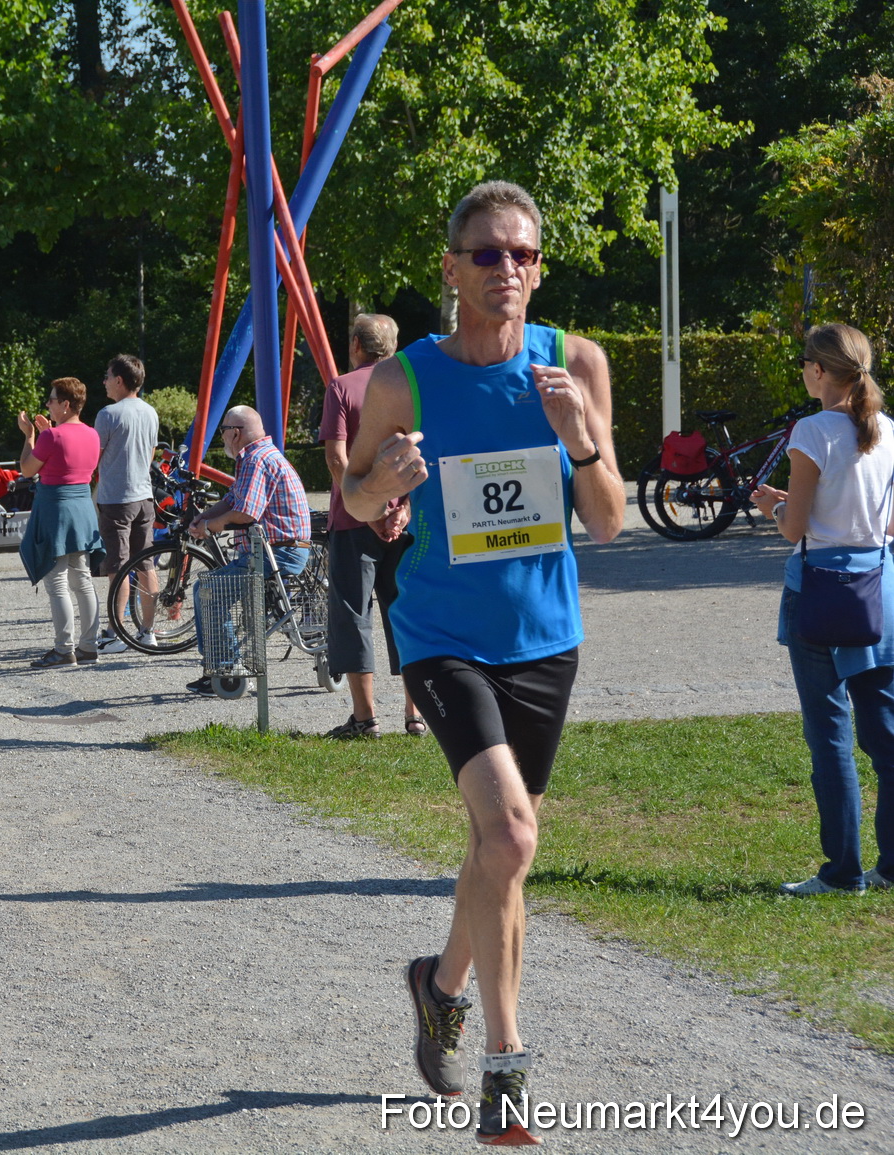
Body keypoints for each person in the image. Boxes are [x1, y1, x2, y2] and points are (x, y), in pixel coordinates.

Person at [342, 181, 622, 1145]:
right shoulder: (402, 381)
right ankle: (508, 1070)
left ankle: (438, 982)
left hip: (546, 637)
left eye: (525, 255)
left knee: (497, 849)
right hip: (441, 632)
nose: (509, 270)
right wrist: (384, 480)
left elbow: (609, 518)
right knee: (508, 836)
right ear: (453, 268)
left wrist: (581, 439)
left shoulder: (575, 363)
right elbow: (352, 491)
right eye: (489, 254)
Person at [751, 324, 894, 896]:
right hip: (878, 588)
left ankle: (842, 872)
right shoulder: (887, 429)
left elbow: (793, 531)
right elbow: (884, 524)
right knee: (884, 731)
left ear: (818, 370)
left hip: (819, 592)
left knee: (830, 733)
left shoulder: (811, 431)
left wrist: (771, 507)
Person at [319, 314, 426, 739]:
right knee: (406, 613)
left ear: (356, 346)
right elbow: (426, 457)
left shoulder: (341, 387)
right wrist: (402, 509)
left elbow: (336, 460)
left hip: (352, 519)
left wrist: (370, 508)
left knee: (352, 614)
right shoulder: (408, 388)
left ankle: (365, 719)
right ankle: (415, 714)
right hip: (404, 521)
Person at [186, 406, 311, 694]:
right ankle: (220, 664)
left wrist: (213, 524)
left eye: (223, 431)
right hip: (277, 550)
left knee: (210, 590)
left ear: (235, 432)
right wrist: (205, 517)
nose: (223, 437)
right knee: (212, 588)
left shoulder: (257, 460)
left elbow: (246, 513)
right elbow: (232, 499)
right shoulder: (256, 457)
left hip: (279, 553)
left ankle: (227, 667)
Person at [18, 376, 102, 667]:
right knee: (83, 579)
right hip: (82, 507)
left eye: (52, 400)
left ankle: (64, 649)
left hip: (56, 509)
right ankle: (89, 647)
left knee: (57, 582)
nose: (48, 404)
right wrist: (45, 434)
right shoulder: (92, 434)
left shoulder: (50, 437)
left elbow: (28, 470)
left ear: (65, 404)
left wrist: (30, 435)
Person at [91, 354, 161, 654]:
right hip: (144, 496)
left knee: (117, 567)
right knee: (145, 563)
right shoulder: (150, 411)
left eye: (107, 376)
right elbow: (151, 453)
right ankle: (148, 631)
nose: (104, 381)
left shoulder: (108, 414)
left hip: (116, 498)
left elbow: (94, 457)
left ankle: (115, 633)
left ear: (120, 381)